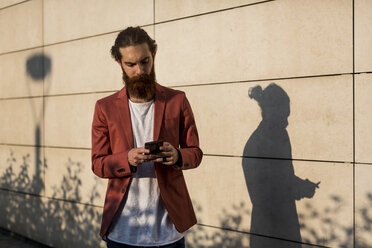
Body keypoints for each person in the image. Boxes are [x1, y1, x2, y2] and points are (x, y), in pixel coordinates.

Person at [91, 26, 203, 248]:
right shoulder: (105, 108)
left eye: (145, 61)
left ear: (154, 55)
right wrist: (127, 159)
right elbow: (97, 164)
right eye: (131, 64)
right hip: (122, 231)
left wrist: (178, 155)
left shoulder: (177, 100)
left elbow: (195, 153)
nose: (140, 71)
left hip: (169, 230)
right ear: (119, 63)